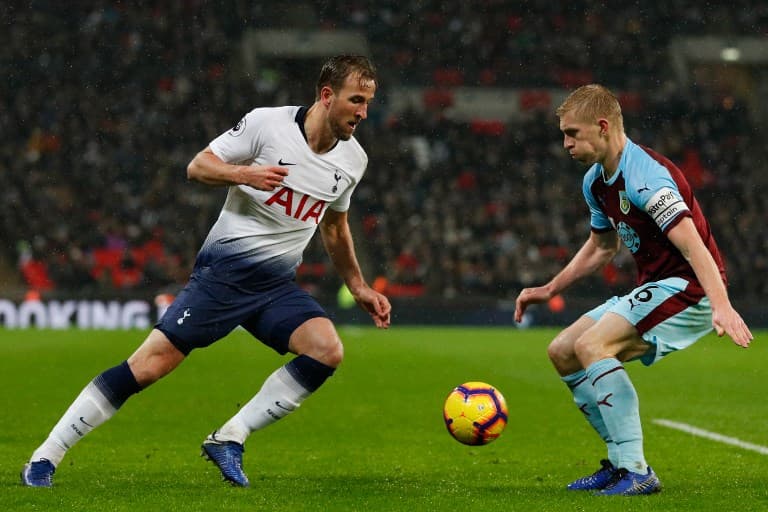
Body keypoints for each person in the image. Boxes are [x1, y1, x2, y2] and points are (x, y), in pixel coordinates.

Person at [22, 55, 391, 488]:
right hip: (223, 277)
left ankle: (230, 437)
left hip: (274, 286)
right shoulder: (266, 125)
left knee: (326, 349)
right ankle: (46, 456)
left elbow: (334, 225)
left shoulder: (353, 160)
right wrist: (245, 175)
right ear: (327, 96)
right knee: (147, 366)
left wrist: (358, 286)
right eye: (357, 100)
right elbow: (197, 166)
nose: (364, 112)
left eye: (368, 102)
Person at [514, 84, 752, 496]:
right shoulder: (595, 181)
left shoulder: (647, 179)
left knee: (593, 347)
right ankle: (620, 464)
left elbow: (693, 245)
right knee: (563, 350)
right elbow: (602, 247)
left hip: (690, 287)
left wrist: (722, 306)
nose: (566, 143)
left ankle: (637, 471)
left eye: (573, 133)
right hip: (657, 285)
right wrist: (550, 286)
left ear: (603, 127)